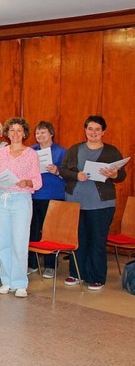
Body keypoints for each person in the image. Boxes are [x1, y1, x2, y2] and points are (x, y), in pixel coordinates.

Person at [60, 115, 127, 291]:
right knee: (78, 239)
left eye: (98, 129)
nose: (93, 132)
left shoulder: (111, 151)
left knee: (97, 240)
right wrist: (76, 175)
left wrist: (114, 175)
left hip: (101, 204)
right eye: (90, 129)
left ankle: (97, 277)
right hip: (76, 203)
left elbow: (122, 175)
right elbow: (63, 170)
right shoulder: (75, 149)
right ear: (85, 130)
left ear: (103, 132)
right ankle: (76, 273)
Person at [0, 117, 42, 298]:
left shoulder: (31, 154)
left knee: (19, 242)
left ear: (25, 133)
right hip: (2, 198)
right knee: (3, 242)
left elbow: (37, 181)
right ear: (7, 133)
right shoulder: (1, 153)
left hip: (21, 199)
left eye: (19, 130)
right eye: (12, 130)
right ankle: (6, 281)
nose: (15, 134)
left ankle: (20, 283)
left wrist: (27, 182)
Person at [27, 121, 66, 278]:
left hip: (53, 196)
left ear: (51, 133)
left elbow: (68, 175)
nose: (39, 135)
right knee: (32, 230)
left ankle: (50, 265)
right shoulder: (30, 151)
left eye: (43, 132)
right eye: (37, 133)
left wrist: (57, 171)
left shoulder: (61, 152)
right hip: (33, 195)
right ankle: (32, 263)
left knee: (50, 231)